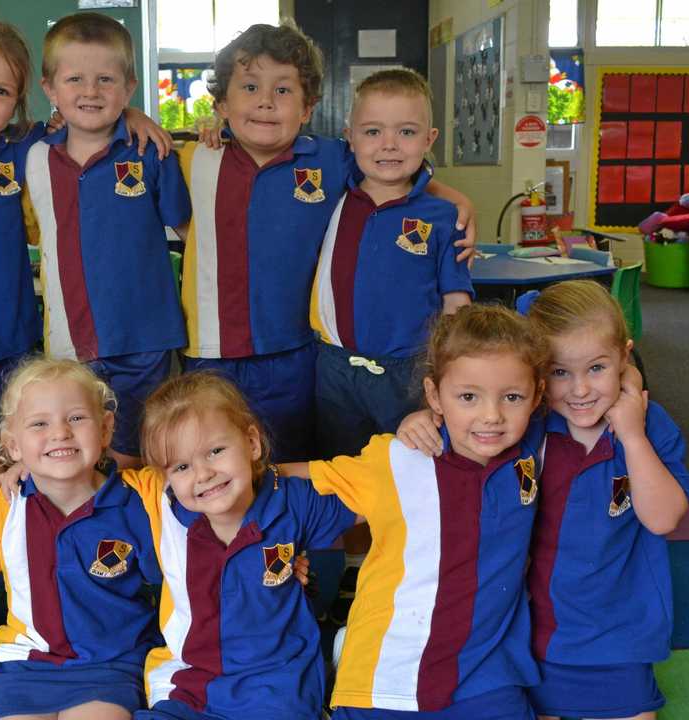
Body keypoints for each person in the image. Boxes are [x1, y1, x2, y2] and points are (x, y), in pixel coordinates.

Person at [179, 22, 474, 462]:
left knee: (295, 463)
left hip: (296, 353)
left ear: (308, 107)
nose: (265, 101)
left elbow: (391, 172)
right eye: (250, 87)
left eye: (283, 90)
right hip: (209, 354)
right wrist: (133, 115)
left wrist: (454, 198)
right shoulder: (191, 157)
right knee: (214, 458)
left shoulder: (332, 159)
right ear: (221, 102)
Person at [0, 15, 171, 445]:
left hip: (18, 349)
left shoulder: (31, 152)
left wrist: (132, 113)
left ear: (21, 100)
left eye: (1, 91)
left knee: (24, 456)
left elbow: (88, 122)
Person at [305, 304, 550, 719]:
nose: (491, 416)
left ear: (537, 396)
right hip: (384, 672)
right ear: (435, 395)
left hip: (486, 675)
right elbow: (294, 485)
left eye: (511, 397)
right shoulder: (398, 456)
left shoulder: (536, 447)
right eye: (468, 397)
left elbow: (600, 384)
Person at [125, 371, 356, 720]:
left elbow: (379, 487)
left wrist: (425, 427)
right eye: (183, 466)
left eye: (216, 451)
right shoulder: (157, 504)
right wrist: (20, 467)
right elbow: (76, 481)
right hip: (191, 680)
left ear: (252, 442)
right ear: (165, 476)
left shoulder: (291, 501)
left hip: (276, 684)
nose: (203, 474)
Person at [23, 12, 190, 469]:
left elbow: (190, 232)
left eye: (106, 79)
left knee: (143, 454)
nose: (91, 91)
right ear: (50, 89)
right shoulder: (33, 156)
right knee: (79, 456)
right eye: (75, 78)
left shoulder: (150, 152)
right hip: (70, 343)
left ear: (129, 88)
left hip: (146, 339)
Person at [522, 281, 689, 720]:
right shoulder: (528, 422)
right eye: (559, 372)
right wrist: (423, 417)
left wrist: (632, 436)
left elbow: (663, 518)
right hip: (536, 629)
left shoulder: (651, 426)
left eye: (597, 368)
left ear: (624, 358)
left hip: (619, 633)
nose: (579, 390)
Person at [0, 358, 163, 720]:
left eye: (76, 418)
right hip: (24, 664)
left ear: (106, 428)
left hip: (111, 664)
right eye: (39, 424)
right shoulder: (1, 504)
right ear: (13, 445)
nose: (60, 432)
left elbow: (211, 491)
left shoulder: (142, 498)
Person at [311, 68, 472, 459]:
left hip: (410, 373)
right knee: (340, 470)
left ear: (429, 139)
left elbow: (456, 305)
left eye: (406, 132)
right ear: (349, 137)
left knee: (411, 466)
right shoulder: (330, 194)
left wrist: (448, 374)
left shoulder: (444, 217)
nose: (389, 145)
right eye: (372, 132)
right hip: (334, 368)